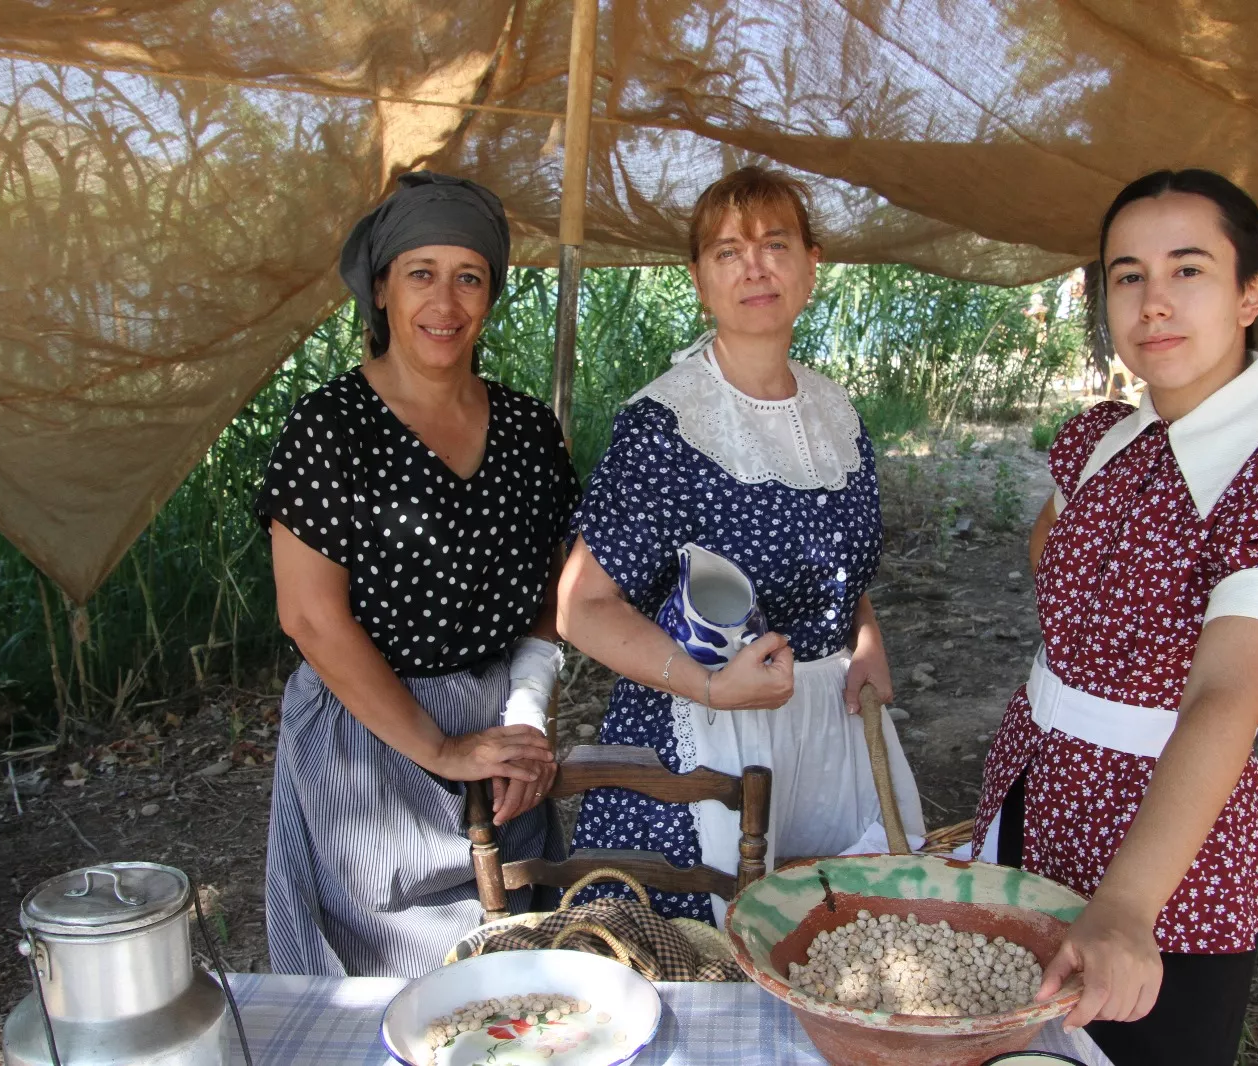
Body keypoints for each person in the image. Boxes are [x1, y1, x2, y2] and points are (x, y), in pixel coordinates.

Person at [970, 169, 1258, 1065]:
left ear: (1251, 292)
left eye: (1189, 270)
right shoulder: (1101, 437)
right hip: (1037, 793)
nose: (1154, 302)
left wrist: (1126, 906)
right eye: (1127, 275)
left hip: (1168, 859)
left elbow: (1227, 696)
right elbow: (1053, 560)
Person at [556, 166, 925, 924]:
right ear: (698, 280)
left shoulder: (835, 408)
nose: (754, 267)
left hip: (828, 734)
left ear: (812, 264)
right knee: (712, 976)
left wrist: (865, 640)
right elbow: (581, 608)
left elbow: (837, 567)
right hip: (706, 739)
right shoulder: (667, 424)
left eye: (775, 244)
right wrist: (713, 686)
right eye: (727, 252)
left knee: (836, 948)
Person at [255, 171, 579, 976]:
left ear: (491, 294)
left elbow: (550, 594)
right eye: (420, 274)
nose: (445, 301)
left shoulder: (528, 431)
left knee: (516, 973)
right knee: (405, 990)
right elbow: (311, 618)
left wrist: (527, 717)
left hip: (497, 727)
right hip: (370, 742)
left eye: (468, 276)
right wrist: (440, 747)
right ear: (381, 288)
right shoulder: (331, 429)